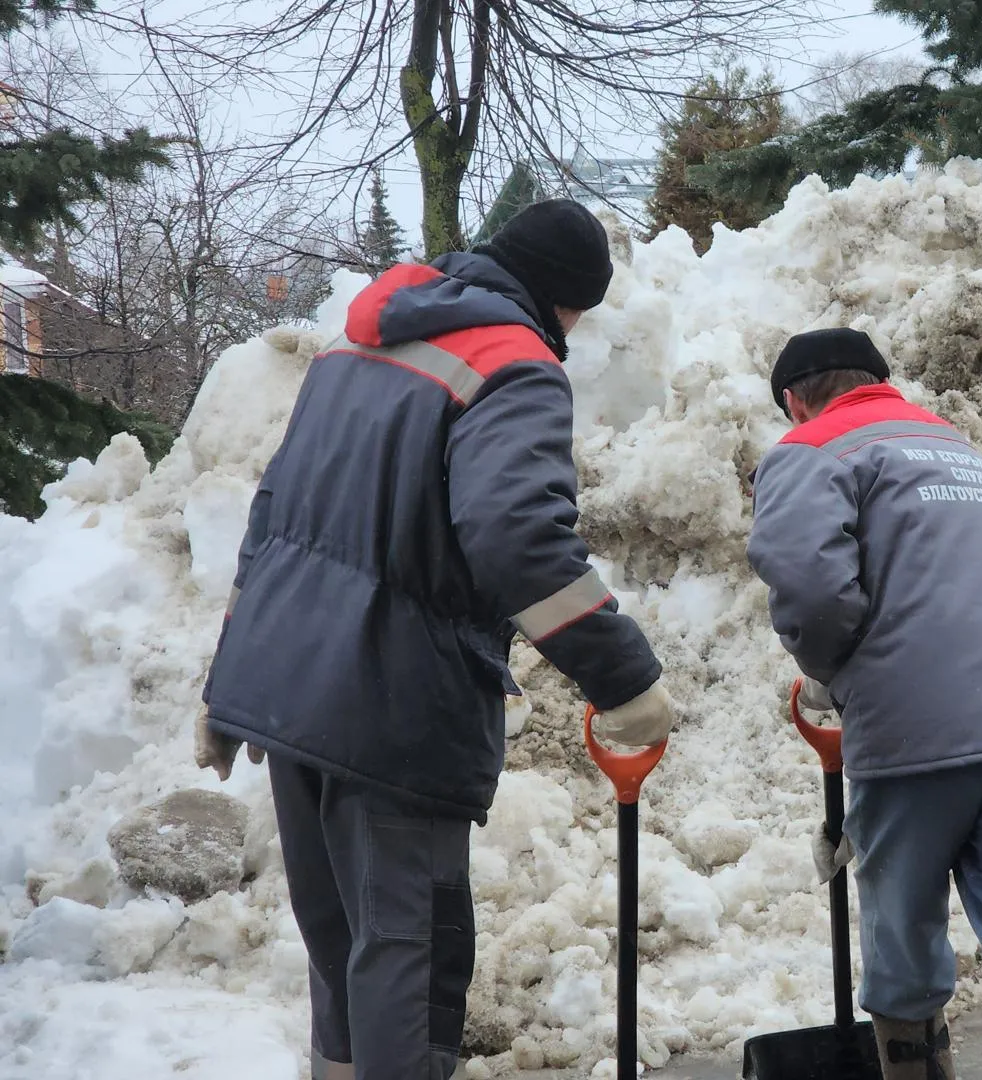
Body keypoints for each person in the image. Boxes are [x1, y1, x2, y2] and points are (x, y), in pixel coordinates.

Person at [195, 199, 676, 1080]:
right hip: (390, 704)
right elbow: (515, 535)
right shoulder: (515, 364)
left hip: (286, 691)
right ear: (562, 298)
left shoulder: (352, 349)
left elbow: (274, 515)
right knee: (409, 961)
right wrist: (623, 676)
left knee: (344, 957)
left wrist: (227, 678)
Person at [746, 327, 982, 1080]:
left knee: (901, 921)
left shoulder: (812, 448)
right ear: (880, 381)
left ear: (793, 398)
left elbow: (810, 592)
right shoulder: (955, 447)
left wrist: (825, 670)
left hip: (918, 730)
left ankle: (912, 1067)